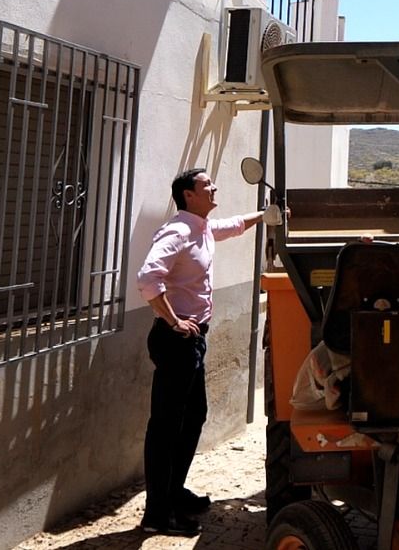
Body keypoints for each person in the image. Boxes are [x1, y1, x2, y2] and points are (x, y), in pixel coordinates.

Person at [135, 167, 268, 537]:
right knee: (166, 427)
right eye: (207, 185)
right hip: (176, 340)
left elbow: (231, 226)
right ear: (188, 195)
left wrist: (265, 215)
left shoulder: (202, 228)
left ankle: (173, 492)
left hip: (192, 342)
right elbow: (147, 278)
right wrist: (174, 320)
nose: (214, 188)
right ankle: (157, 514)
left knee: (193, 417)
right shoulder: (178, 231)